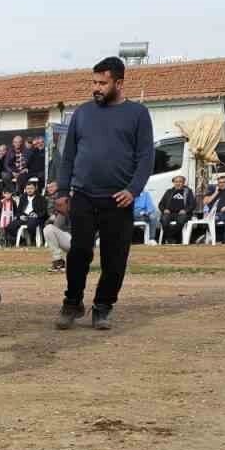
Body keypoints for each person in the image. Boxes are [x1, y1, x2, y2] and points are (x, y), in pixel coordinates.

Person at [54, 56, 154, 330]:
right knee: (78, 253)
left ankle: (102, 307)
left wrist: (133, 190)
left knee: (115, 258)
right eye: (94, 82)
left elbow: (146, 158)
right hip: (83, 196)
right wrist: (62, 191)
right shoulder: (82, 113)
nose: (96, 88)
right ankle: (72, 303)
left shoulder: (138, 114)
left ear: (119, 83)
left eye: (102, 83)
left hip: (118, 199)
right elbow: (68, 156)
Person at [157, 173, 196, 243]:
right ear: (173, 183)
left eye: (180, 182)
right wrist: (164, 210)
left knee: (181, 221)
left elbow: (193, 204)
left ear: (183, 183)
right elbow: (161, 204)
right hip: (170, 213)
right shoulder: (169, 191)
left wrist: (185, 210)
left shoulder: (188, 192)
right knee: (164, 220)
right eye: (176, 182)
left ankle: (170, 237)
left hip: (182, 214)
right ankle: (172, 238)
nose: (178, 183)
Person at [41, 180, 70, 272]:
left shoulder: (85, 206)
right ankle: (58, 261)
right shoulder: (61, 210)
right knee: (48, 229)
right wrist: (59, 214)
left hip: (84, 244)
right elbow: (54, 224)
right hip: (68, 239)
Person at [14, 178, 46, 244]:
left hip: (35, 218)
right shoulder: (23, 198)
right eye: (28, 189)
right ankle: (21, 240)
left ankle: (32, 240)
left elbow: (44, 211)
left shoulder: (41, 198)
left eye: (31, 188)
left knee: (31, 224)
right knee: (11, 226)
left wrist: (37, 215)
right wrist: (20, 216)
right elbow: (18, 211)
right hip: (24, 217)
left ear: (35, 188)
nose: (29, 190)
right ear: (25, 189)